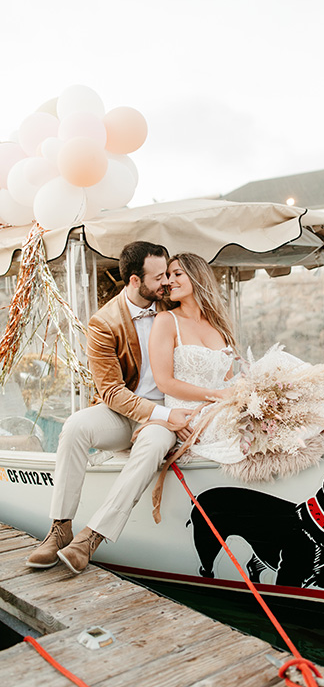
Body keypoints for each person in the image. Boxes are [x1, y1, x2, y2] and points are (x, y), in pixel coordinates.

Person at [148, 253, 324, 469]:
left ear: (197, 278)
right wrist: (217, 394)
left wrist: (260, 383)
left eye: (177, 274)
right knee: (281, 414)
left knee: (283, 370)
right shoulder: (166, 321)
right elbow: (165, 382)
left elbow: (233, 372)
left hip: (225, 397)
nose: (168, 281)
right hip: (194, 413)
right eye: (167, 276)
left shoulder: (216, 326)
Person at [26, 241, 193, 575]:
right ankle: (60, 527)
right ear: (134, 280)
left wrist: (172, 413)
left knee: (153, 446)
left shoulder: (172, 308)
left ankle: (91, 538)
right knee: (74, 426)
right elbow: (112, 392)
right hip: (124, 410)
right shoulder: (103, 323)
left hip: (166, 409)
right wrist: (164, 415)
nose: (166, 282)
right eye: (158, 276)